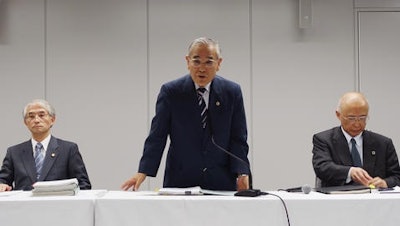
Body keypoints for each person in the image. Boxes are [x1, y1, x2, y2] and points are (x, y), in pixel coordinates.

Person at [121, 37, 250, 191]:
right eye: (196, 61)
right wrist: (143, 171)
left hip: (221, 180)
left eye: (209, 62)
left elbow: (238, 139)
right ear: (188, 62)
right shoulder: (171, 92)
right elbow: (157, 135)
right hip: (181, 180)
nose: (202, 68)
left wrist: (242, 172)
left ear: (219, 63)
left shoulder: (232, 93)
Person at [312, 92, 400, 188]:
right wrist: (350, 172)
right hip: (338, 199)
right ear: (338, 115)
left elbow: (396, 177)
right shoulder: (324, 139)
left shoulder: (383, 143)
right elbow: (322, 167)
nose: (357, 124)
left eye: (362, 118)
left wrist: (385, 183)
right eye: (351, 118)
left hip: (374, 200)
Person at [0, 99, 91, 191]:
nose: (36, 120)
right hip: (24, 204)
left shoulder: (68, 149)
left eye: (41, 115)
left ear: (52, 119)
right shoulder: (14, 152)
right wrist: (2, 185)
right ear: (25, 122)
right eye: (31, 116)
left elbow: (83, 184)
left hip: (58, 203)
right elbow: (3, 181)